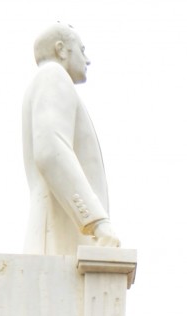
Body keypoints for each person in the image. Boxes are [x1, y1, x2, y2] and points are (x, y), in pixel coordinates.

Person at [22, 23, 121, 254]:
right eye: (82, 50)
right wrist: (97, 222)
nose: (87, 60)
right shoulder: (52, 75)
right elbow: (50, 150)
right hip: (60, 242)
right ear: (62, 49)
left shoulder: (46, 81)